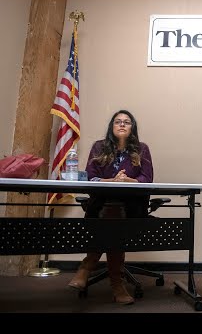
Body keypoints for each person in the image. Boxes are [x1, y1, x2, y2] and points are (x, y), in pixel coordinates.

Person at [67, 109, 154, 305]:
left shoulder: (142, 149)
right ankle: (117, 283)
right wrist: (112, 180)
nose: (122, 124)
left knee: (113, 216)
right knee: (112, 217)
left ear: (132, 128)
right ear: (112, 127)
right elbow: (91, 177)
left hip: (132, 206)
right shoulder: (99, 147)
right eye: (118, 121)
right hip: (101, 203)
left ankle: (87, 266)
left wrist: (130, 180)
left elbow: (147, 179)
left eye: (127, 122)